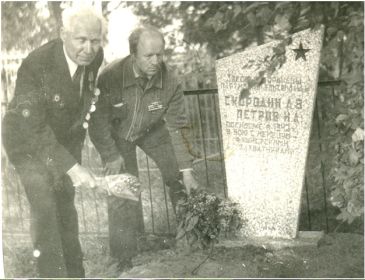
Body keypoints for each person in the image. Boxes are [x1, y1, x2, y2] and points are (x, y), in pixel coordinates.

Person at [2, 5, 105, 278]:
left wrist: (72, 163)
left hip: (59, 142)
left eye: (95, 40)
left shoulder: (94, 58)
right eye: (81, 39)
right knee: (46, 206)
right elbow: (32, 127)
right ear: (63, 34)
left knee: (65, 206)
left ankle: (75, 274)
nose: (89, 48)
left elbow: (78, 110)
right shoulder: (37, 64)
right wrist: (72, 167)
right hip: (26, 143)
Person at [89, 26, 199, 270]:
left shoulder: (170, 81)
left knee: (180, 175)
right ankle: (123, 257)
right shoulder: (111, 76)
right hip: (118, 134)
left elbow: (179, 127)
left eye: (160, 55)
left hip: (153, 131)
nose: (155, 61)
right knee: (122, 185)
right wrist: (111, 155)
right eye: (148, 56)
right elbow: (97, 123)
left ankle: (189, 238)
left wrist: (187, 170)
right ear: (133, 55)